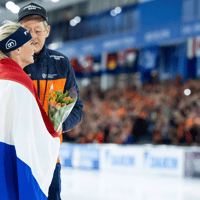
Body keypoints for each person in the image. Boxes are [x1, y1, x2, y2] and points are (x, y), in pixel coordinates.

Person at [18, 3, 83, 199]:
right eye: (26, 31)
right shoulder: (9, 63)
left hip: (49, 157)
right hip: (17, 156)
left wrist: (58, 126)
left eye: (38, 30)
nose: (32, 36)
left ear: (47, 31)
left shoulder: (62, 63)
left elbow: (77, 108)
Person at [0, 21, 61, 200]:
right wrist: (54, 130)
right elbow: (30, 140)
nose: (35, 48)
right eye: (30, 43)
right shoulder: (20, 82)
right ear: (16, 49)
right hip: (8, 166)